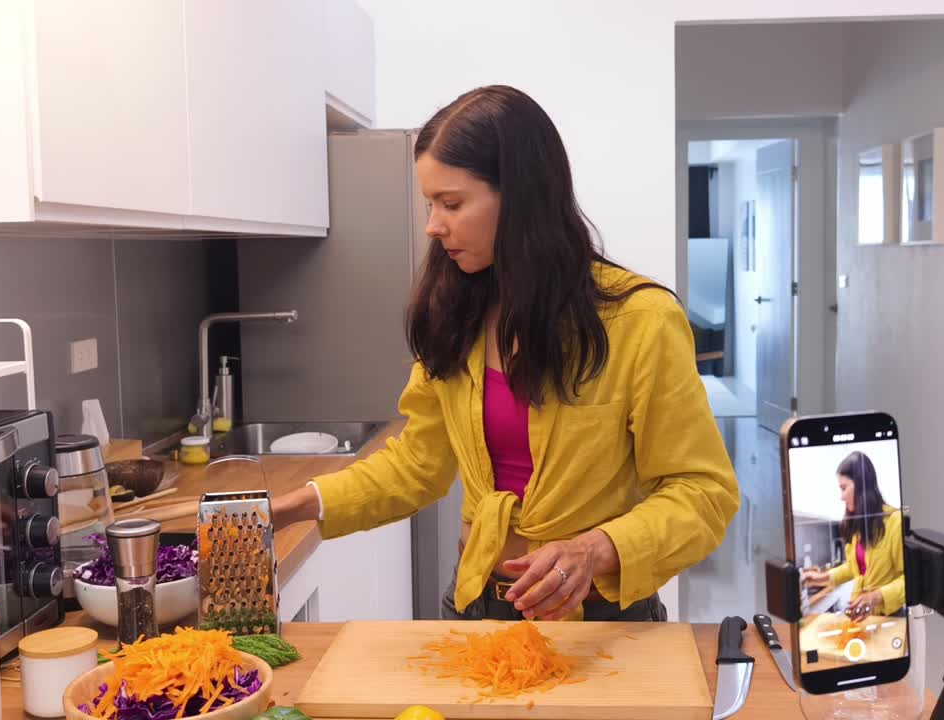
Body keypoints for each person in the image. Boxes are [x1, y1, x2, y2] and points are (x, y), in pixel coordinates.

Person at [270, 85, 739, 621]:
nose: (433, 225)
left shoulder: (642, 322)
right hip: (474, 606)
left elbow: (703, 492)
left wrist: (596, 549)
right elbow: (417, 465)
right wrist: (296, 506)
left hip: (600, 620)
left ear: (521, 199)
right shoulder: (455, 314)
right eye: (430, 203)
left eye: (452, 203)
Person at [802, 451, 905, 620]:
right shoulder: (860, 525)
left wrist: (876, 596)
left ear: (861, 485)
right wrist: (821, 577)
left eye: (844, 488)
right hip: (860, 615)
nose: (841, 496)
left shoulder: (895, 521)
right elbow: (854, 567)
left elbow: (908, 579)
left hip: (888, 617)